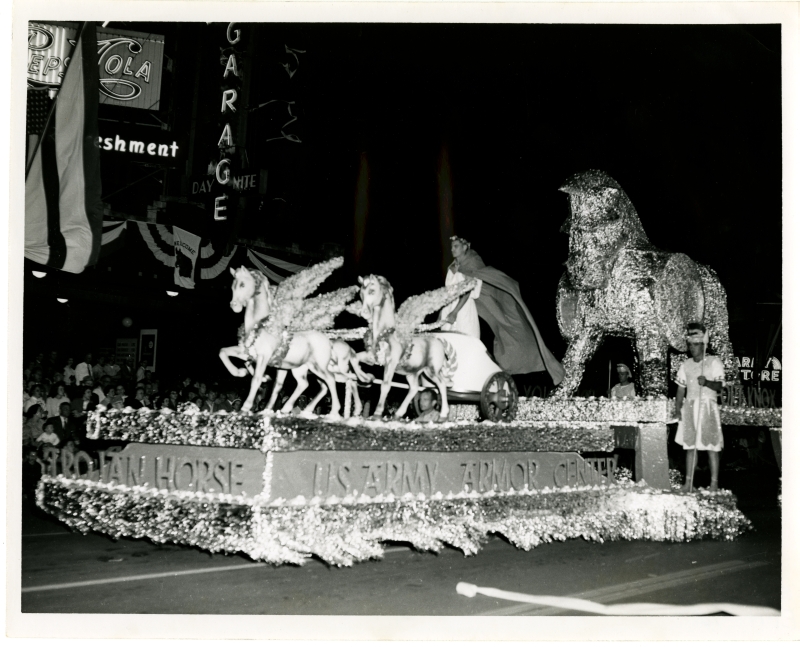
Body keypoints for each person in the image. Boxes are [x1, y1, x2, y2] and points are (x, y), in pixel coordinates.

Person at [439, 235, 565, 384]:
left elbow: (467, 290)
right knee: (443, 340)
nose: (452, 249)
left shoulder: (473, 262)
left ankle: (481, 375)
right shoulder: (453, 266)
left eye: (456, 246)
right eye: (452, 247)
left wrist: (454, 313)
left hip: (464, 309)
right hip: (452, 307)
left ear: (466, 247)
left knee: (468, 342)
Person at [674, 322, 725, 492]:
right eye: (690, 345)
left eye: (696, 345)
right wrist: (677, 408)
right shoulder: (685, 364)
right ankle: (688, 483)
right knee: (690, 447)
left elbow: (720, 386)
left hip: (708, 408)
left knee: (711, 446)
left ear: (703, 345)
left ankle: (714, 484)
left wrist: (707, 382)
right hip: (689, 408)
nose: (692, 348)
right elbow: (681, 389)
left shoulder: (713, 362)